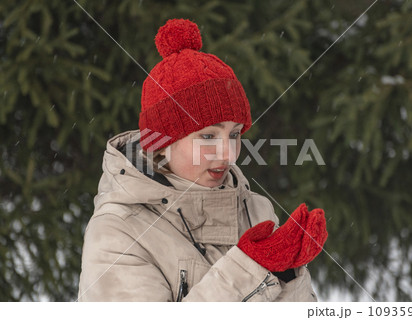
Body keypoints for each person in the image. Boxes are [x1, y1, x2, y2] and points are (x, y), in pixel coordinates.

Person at [78, 18, 328, 302]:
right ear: (162, 144)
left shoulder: (256, 210)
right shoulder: (117, 232)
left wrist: (288, 274)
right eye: (208, 137)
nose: (228, 153)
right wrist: (252, 269)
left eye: (234, 134)